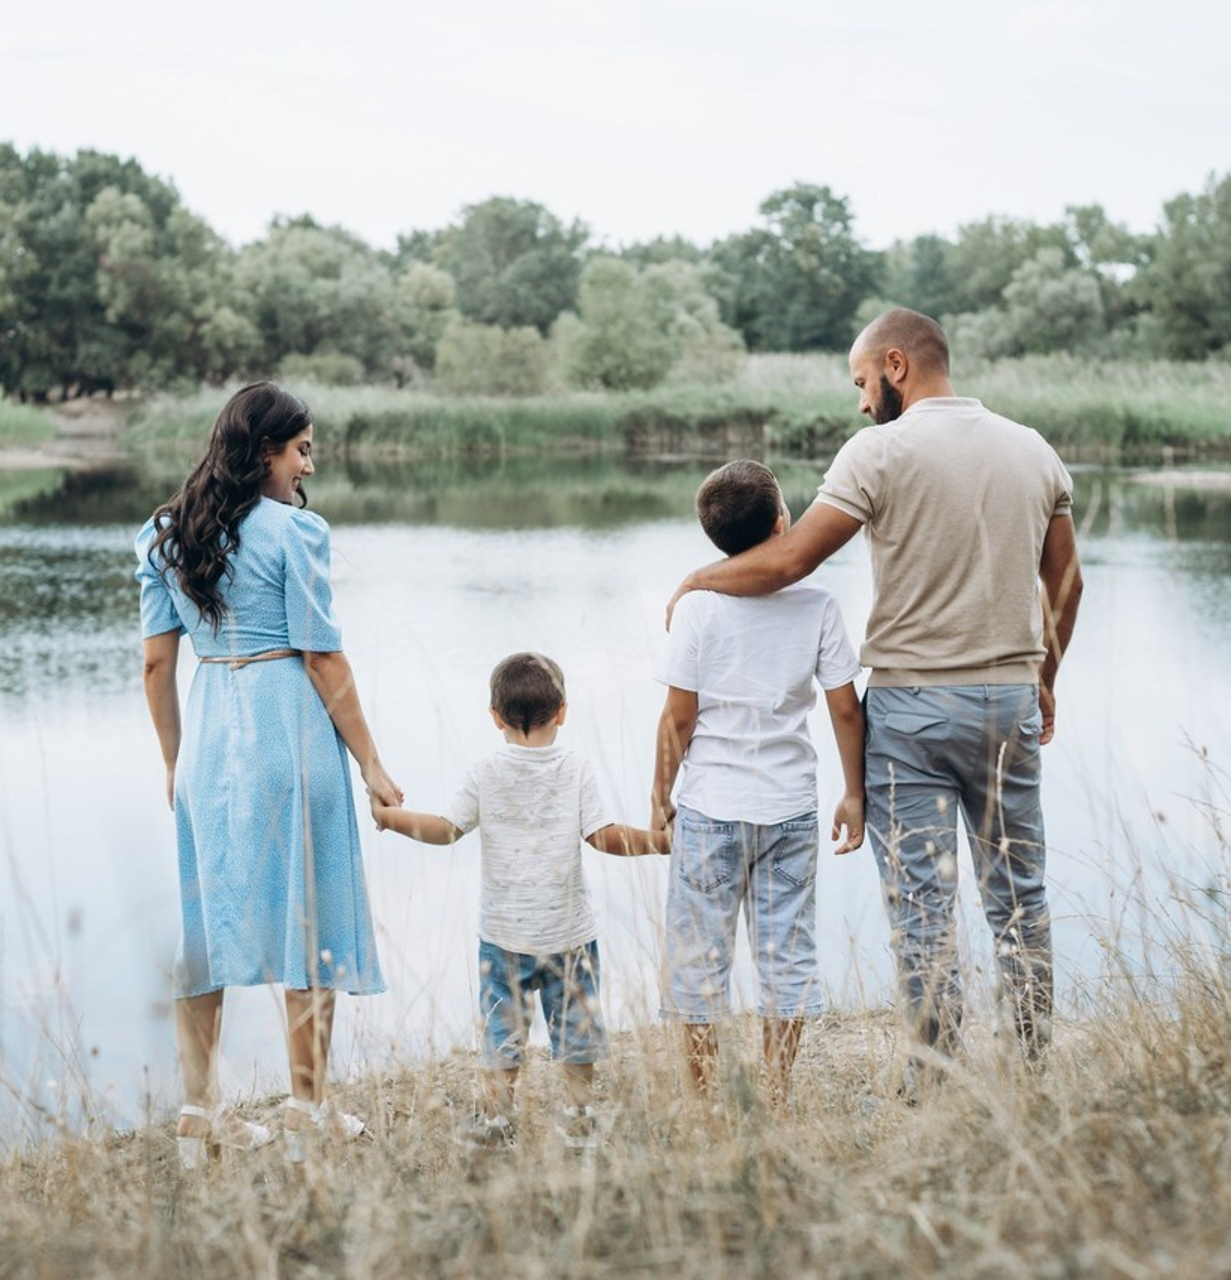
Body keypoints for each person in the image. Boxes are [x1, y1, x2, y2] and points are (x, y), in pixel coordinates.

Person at [666, 310, 1084, 1091]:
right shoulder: (1035, 450)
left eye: (863, 382)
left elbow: (787, 561)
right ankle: (1030, 1068)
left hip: (914, 713)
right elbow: (1066, 583)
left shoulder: (878, 454)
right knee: (1019, 893)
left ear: (896, 364)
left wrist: (698, 579)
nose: (861, 403)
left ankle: (934, 1074)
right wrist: (1045, 680)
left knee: (923, 901)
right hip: (1008, 704)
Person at [136, 381, 403, 1168]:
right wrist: (373, 762)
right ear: (265, 452)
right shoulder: (298, 533)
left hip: (211, 735)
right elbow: (321, 656)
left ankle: (197, 1107)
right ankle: (309, 1105)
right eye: (302, 449)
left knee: (204, 920)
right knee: (309, 913)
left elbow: (156, 665)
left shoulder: (161, 534)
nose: (308, 464)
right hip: (287, 729)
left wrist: (173, 761)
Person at [374, 652, 669, 1151]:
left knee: (501, 1030)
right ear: (562, 711)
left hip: (503, 936)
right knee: (576, 1029)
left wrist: (392, 818)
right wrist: (660, 842)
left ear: (494, 716)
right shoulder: (576, 768)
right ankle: (579, 1116)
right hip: (569, 934)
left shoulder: (486, 770)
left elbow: (447, 830)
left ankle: (497, 1120)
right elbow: (603, 836)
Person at [652, 460, 865, 1105]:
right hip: (789, 809)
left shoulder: (696, 610)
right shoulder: (819, 606)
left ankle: (709, 1097)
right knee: (786, 958)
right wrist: (854, 792)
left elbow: (679, 716)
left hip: (710, 808)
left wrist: (659, 795)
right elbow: (845, 707)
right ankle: (773, 1091)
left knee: (697, 965)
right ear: (782, 523)